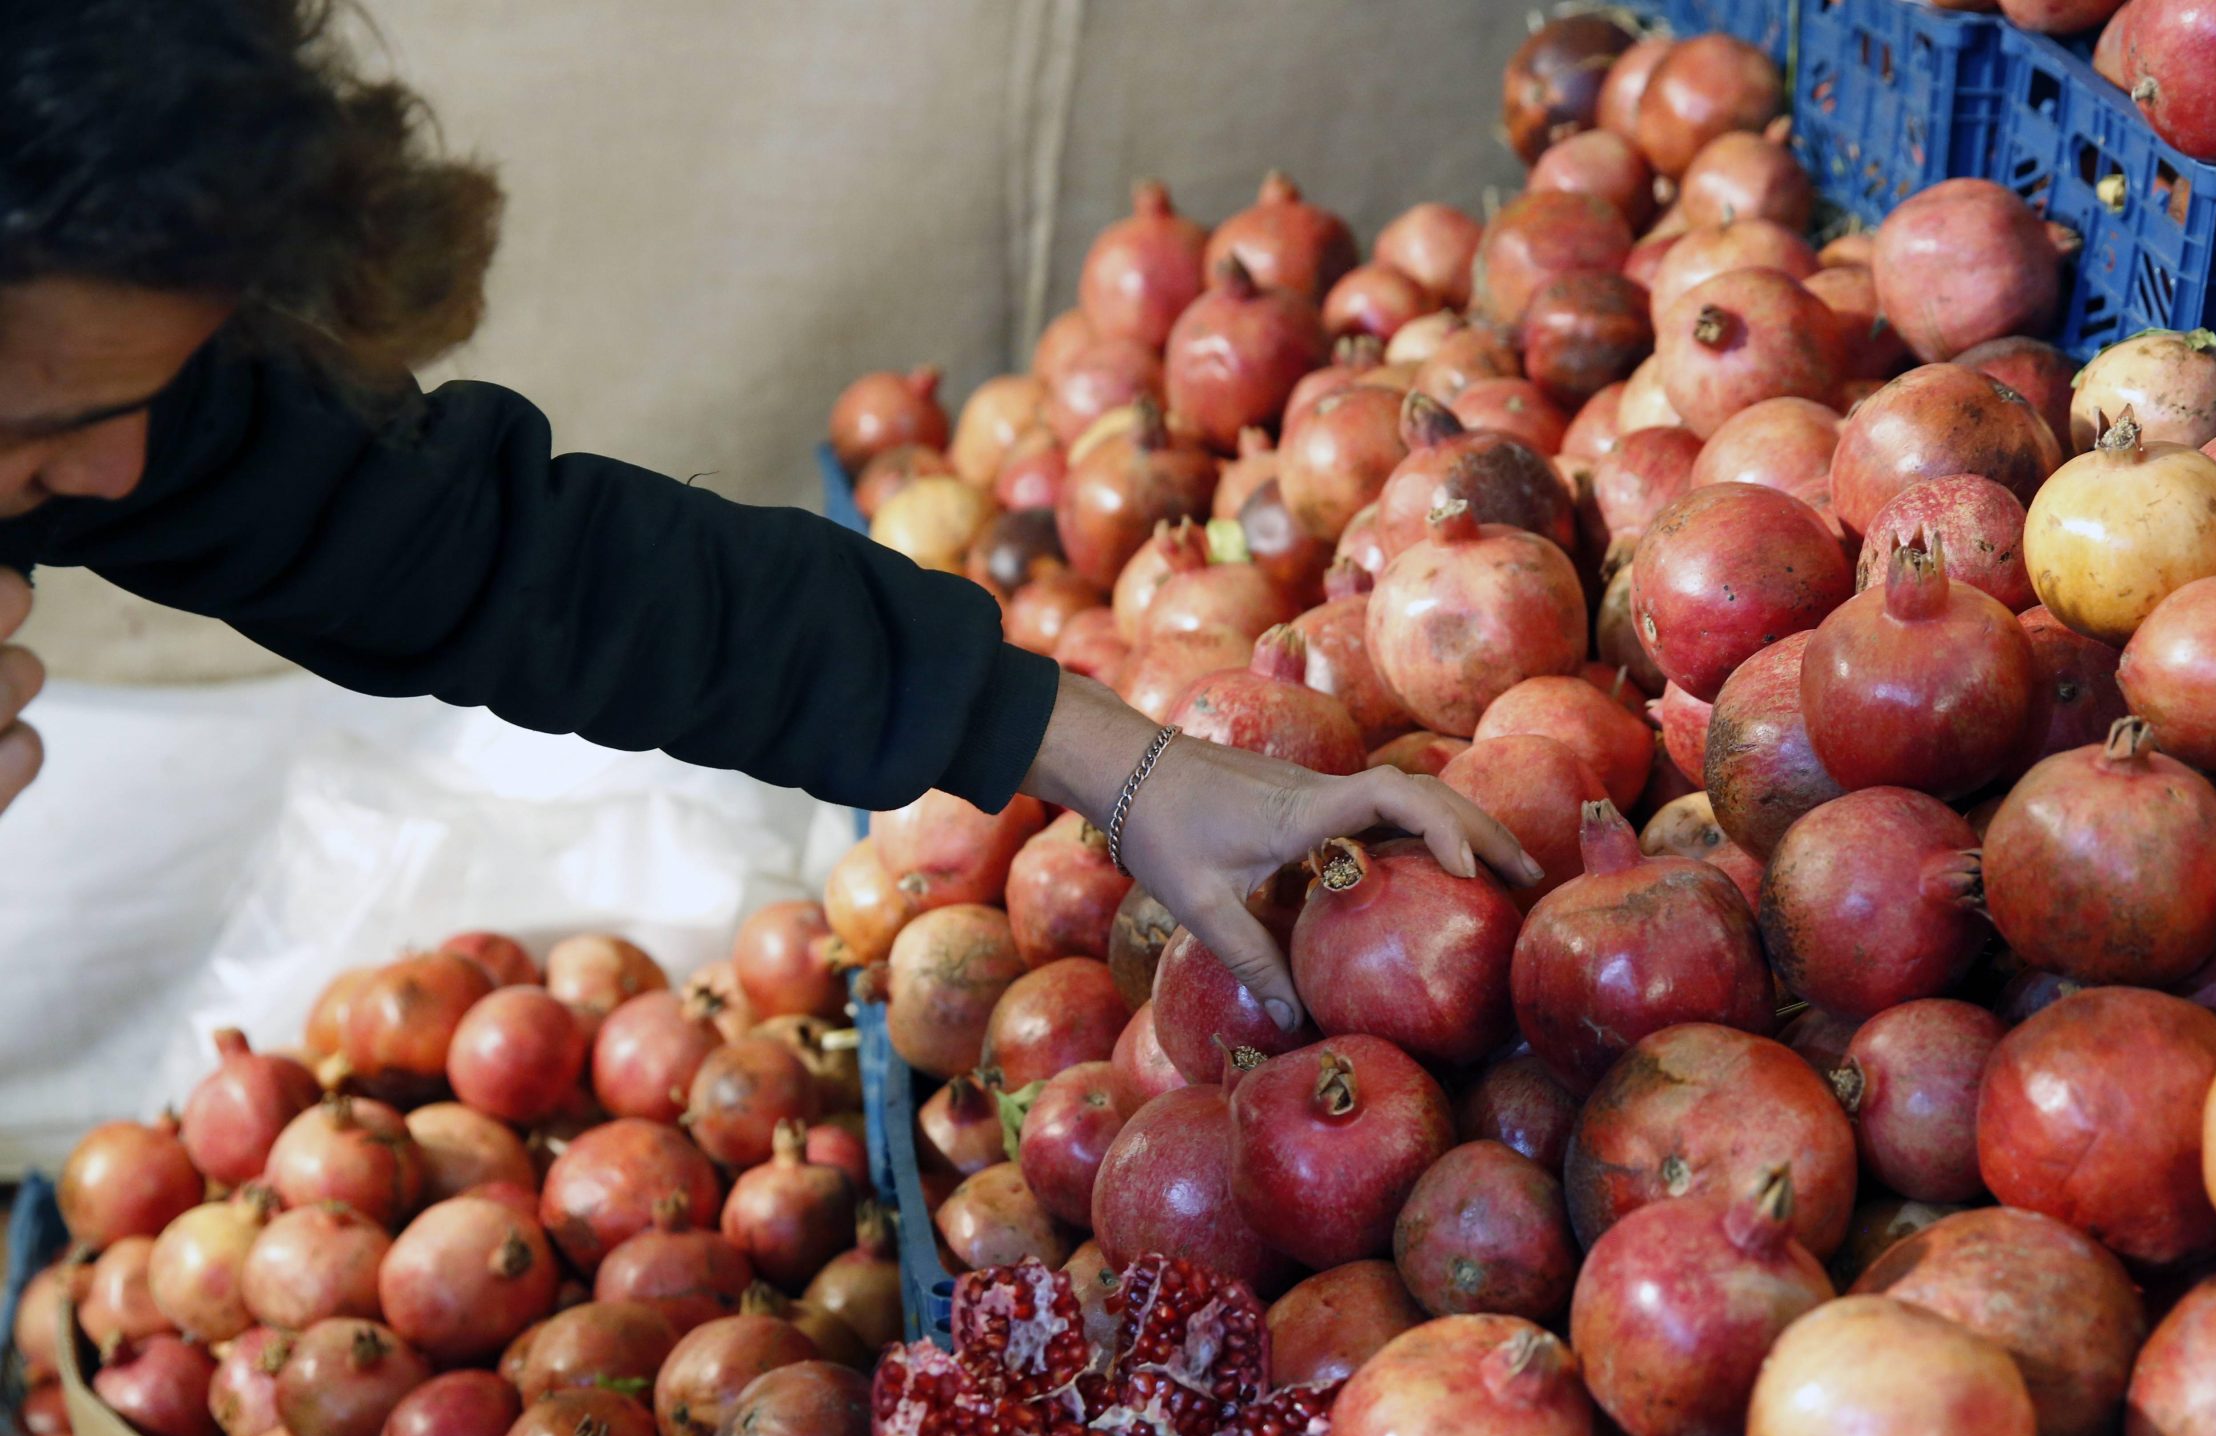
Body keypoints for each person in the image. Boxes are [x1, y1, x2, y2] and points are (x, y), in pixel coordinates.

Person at [0, 0, 1533, 1032]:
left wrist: (1122, 767)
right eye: (51, 427)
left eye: (167, 388)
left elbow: (531, 569)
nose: (127, 475)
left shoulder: (128, 387)